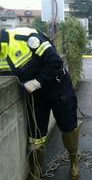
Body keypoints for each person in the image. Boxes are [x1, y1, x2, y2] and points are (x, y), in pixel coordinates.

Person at [0, 27, 80, 180]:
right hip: (36, 96)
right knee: (35, 136)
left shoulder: (25, 37)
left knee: (68, 126)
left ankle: (74, 160)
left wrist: (37, 82)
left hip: (58, 87)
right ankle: (36, 170)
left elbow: (55, 61)